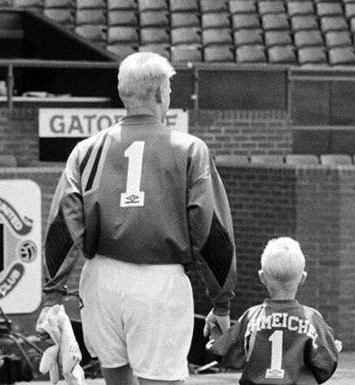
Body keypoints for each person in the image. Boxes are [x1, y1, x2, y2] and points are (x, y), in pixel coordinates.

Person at [41, 52, 236, 385]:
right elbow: (211, 231)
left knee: (115, 376)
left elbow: (63, 223)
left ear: (122, 93)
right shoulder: (190, 149)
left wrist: (54, 294)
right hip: (158, 283)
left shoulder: (86, 149)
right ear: (161, 93)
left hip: (101, 280)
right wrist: (221, 302)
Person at [208, 237, 339, 385]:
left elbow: (225, 353)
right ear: (302, 278)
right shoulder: (312, 319)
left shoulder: (251, 317)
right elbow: (327, 363)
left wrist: (213, 328)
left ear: (262, 277)